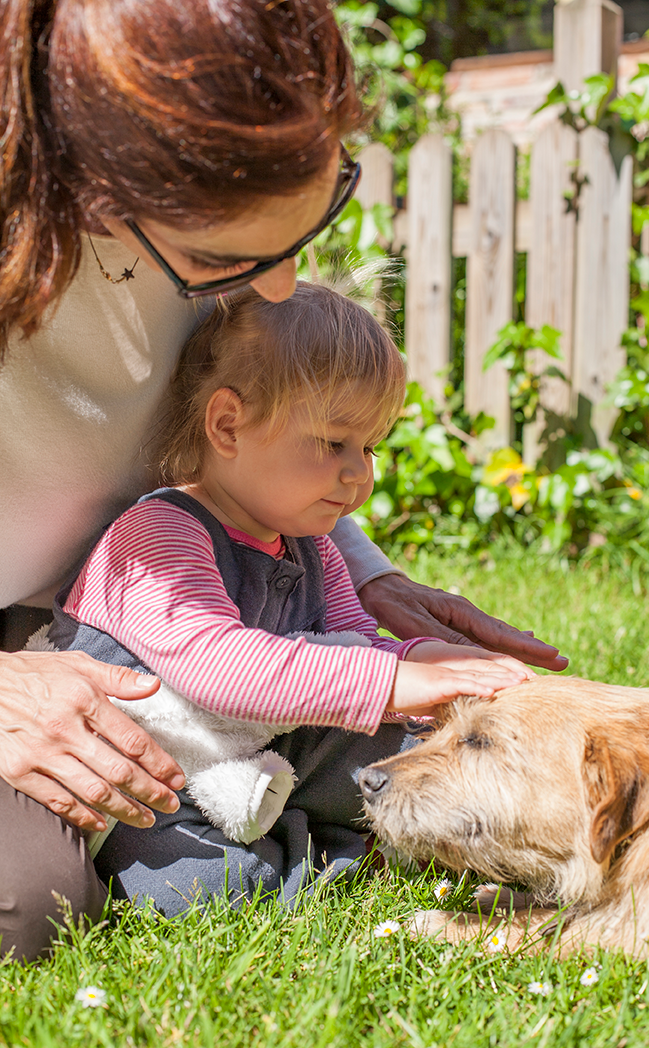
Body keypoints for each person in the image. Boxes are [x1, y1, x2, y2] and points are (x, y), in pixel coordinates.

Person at [0, 0, 566, 962]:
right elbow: (212, 653)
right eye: (222, 259)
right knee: (28, 907)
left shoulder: (211, 258)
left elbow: (270, 495)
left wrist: (367, 589)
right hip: (97, 656)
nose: (275, 286)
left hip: (148, 653)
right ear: (88, 191)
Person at [47, 282, 534, 914]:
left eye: (369, 448)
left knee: (410, 760)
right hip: (161, 777)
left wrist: (430, 661)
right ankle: (330, 857)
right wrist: (395, 679)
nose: (360, 472)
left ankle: (367, 837)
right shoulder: (157, 534)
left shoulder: (308, 544)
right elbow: (217, 667)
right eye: (335, 444)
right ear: (228, 426)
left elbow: (352, 638)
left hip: (262, 743)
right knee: (205, 886)